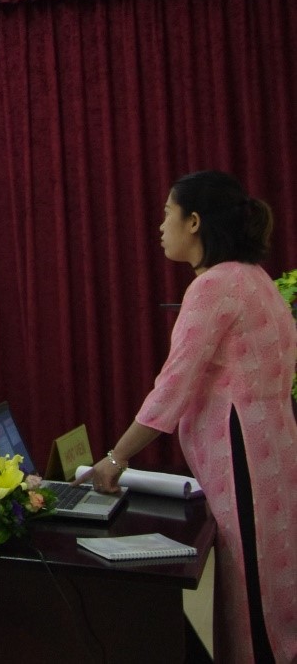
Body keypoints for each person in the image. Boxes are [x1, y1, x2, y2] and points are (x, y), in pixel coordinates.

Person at [85, 171, 296, 664]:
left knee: (253, 601)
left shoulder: (213, 287)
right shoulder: (256, 278)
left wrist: (116, 458)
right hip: (275, 452)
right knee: (274, 591)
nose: (161, 227)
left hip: (244, 459)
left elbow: (172, 386)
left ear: (194, 221)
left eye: (167, 214)